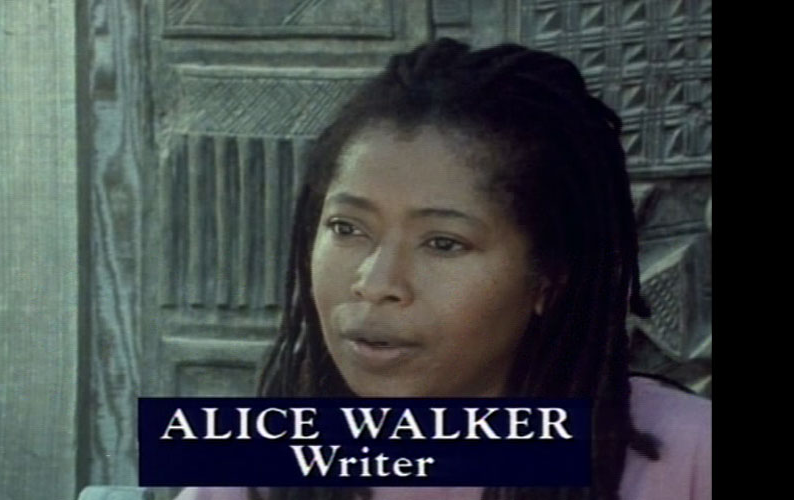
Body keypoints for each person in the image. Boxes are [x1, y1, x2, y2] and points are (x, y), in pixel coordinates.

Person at [175, 38, 711, 500]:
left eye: (443, 243)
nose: (376, 284)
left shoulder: (686, 460)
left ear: (549, 277)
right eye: (346, 228)